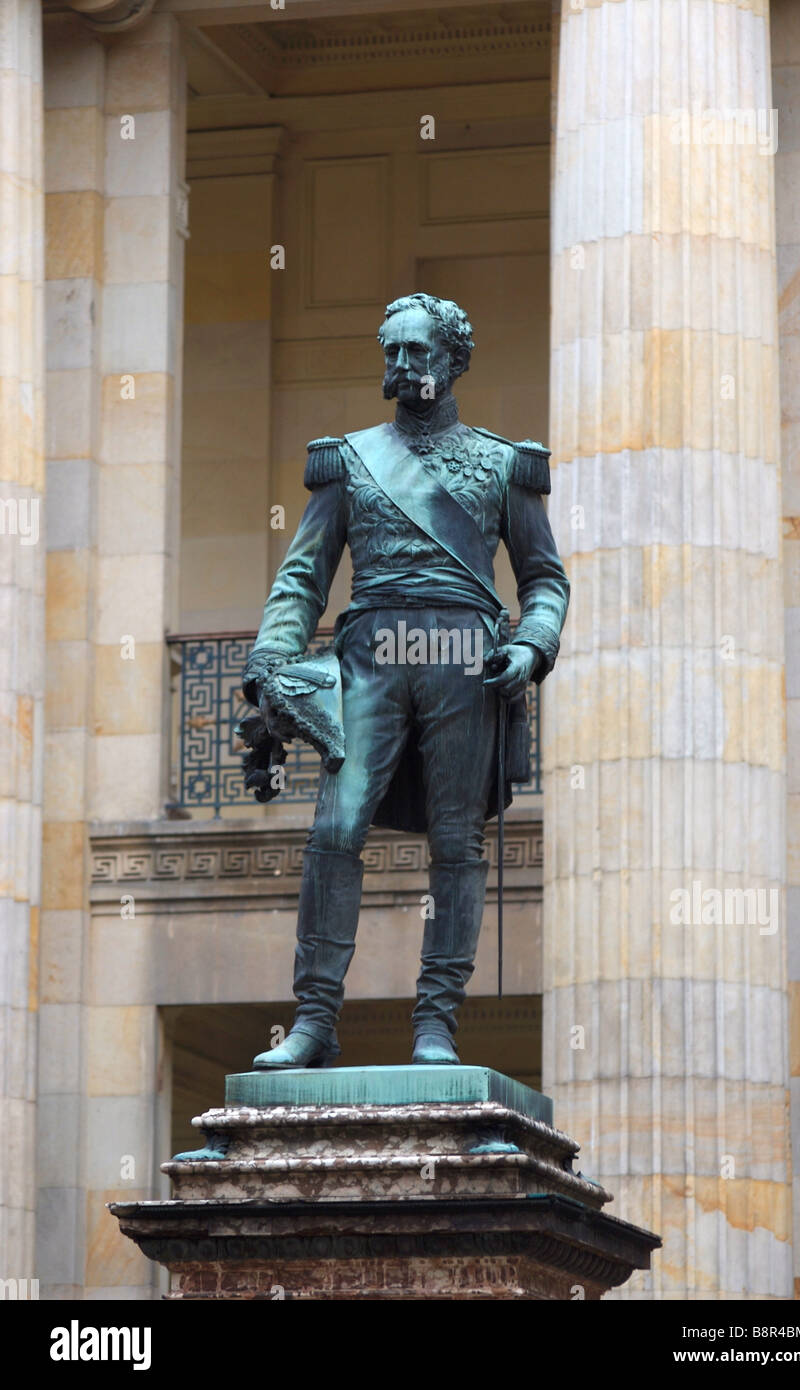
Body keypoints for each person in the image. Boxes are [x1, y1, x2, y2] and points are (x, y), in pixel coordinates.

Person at [242, 292, 569, 1068]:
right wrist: (272, 659)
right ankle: (314, 1022)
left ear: (453, 359)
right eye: (390, 351)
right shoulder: (348, 461)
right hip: (371, 659)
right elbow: (301, 579)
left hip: (466, 660)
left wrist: (531, 649)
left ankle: (436, 1025)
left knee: (458, 843)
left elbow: (545, 581)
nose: (400, 365)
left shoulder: (502, 462)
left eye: (416, 352)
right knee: (333, 831)